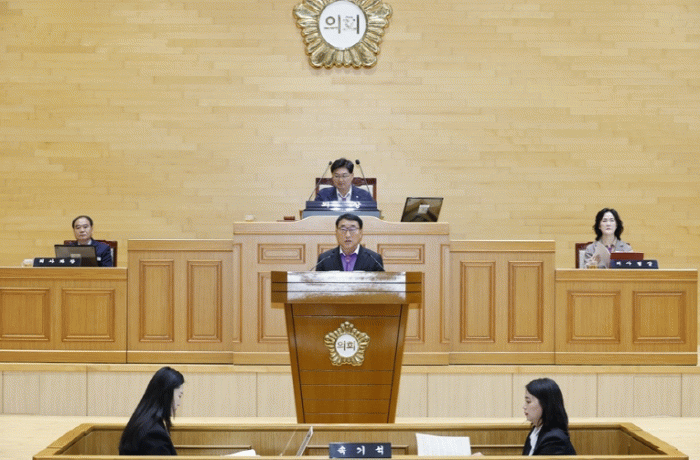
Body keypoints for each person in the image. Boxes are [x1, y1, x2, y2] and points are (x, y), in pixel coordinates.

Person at [119, 367, 185, 456]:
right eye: (179, 396)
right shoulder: (154, 435)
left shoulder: (142, 420)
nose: (179, 403)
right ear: (167, 394)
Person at [522, 378, 576, 456]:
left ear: (545, 404)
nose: (524, 406)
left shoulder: (554, 440)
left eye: (528, 401)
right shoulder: (535, 431)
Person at [315, 213, 384, 271]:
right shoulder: (324, 259)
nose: (347, 235)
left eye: (352, 229)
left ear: (360, 233)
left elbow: (381, 282)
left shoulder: (374, 259)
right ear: (336, 233)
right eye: (343, 229)